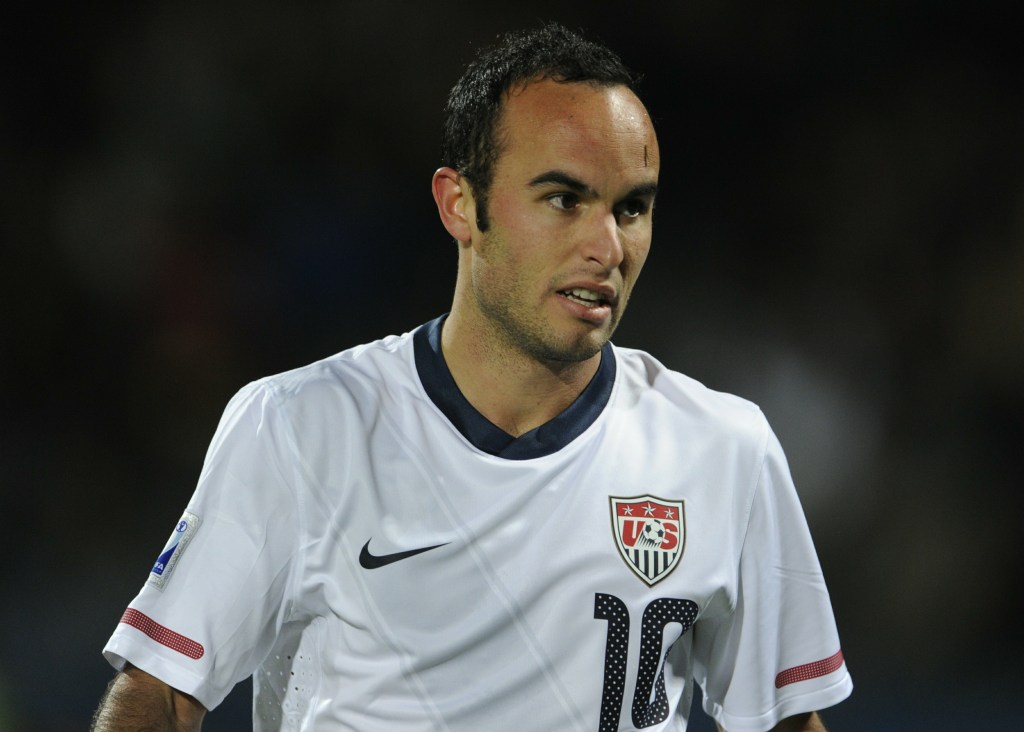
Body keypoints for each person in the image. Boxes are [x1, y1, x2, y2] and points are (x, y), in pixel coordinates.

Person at [91, 23, 852, 732]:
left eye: (632, 209)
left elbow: (789, 720)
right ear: (461, 204)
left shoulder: (724, 449)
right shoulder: (302, 426)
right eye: (564, 199)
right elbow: (159, 690)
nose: (606, 245)